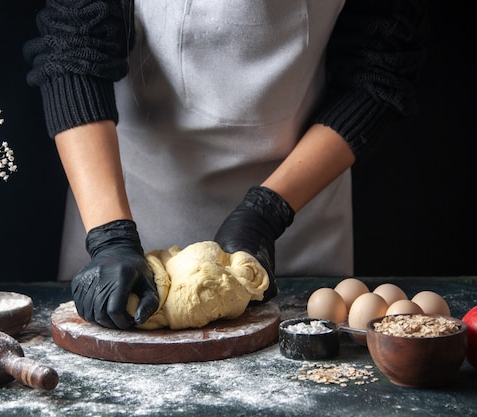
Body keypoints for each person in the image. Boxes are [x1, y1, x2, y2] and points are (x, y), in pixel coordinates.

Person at [24, 0, 427, 329]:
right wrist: (110, 235)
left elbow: (379, 69)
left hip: (299, 210)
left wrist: (267, 213)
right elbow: (71, 49)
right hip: (127, 199)